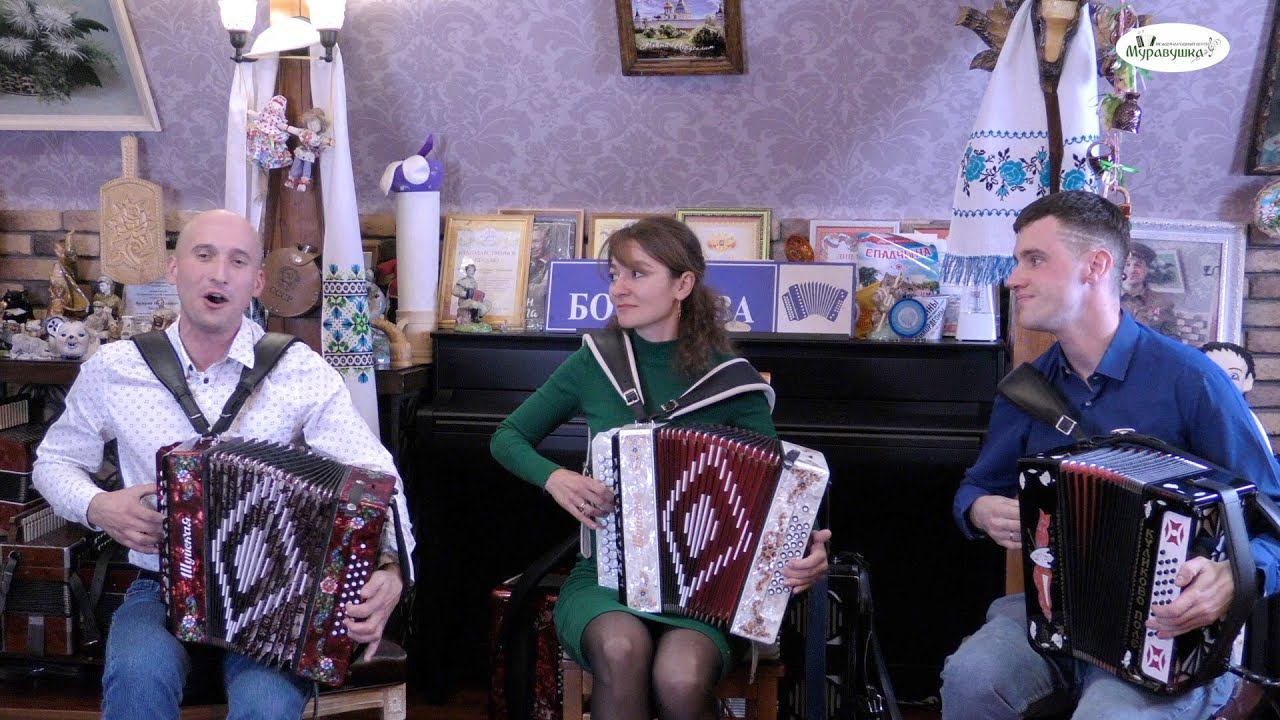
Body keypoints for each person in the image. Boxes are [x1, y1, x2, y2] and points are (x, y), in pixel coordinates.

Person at [32, 209, 415, 720]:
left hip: (277, 594)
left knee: (266, 703)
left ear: (256, 282)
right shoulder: (116, 367)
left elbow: (378, 480)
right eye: (204, 255)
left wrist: (393, 568)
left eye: (237, 261)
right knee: (138, 675)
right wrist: (97, 505)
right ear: (175, 269)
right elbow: (53, 461)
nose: (219, 273)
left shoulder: (300, 370)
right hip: (160, 585)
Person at [941, 191, 1280, 719]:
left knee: (1108, 713)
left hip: (1171, 627)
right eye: (1017, 261)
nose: (1013, 279)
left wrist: (1238, 575)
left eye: (1034, 259)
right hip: (1054, 615)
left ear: (1095, 266)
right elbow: (977, 488)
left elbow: (1274, 514)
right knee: (972, 676)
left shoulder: (1193, 381)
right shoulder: (1026, 391)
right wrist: (980, 510)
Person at [490, 217, 831, 720]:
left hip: (706, 591)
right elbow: (507, 437)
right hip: (604, 579)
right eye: (614, 275)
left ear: (682, 285)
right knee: (620, 650)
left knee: (680, 676)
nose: (618, 289)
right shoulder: (594, 363)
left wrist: (810, 550)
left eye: (637, 274)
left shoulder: (730, 382)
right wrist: (555, 478)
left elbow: (780, 498)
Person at [1202, 341, 1272, 451]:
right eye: (1211, 374)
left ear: (1248, 381)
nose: (1222, 382)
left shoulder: (1244, 423)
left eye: (1234, 376)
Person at [1120, 241, 1179, 340]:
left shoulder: (1162, 303)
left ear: (1146, 269)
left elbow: (1173, 339)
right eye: (1127, 264)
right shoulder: (1106, 298)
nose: (1132, 270)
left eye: (1138, 265)